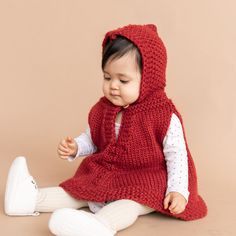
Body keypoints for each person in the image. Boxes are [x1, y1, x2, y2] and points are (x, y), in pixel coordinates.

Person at [4, 24, 207, 236]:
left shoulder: (163, 115)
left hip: (145, 180)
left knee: (130, 202)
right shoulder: (103, 108)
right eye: (107, 77)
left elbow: (177, 156)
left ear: (149, 80)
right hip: (107, 173)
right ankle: (29, 200)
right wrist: (76, 147)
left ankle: (101, 225)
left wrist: (178, 190)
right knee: (79, 189)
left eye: (123, 80)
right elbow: (92, 139)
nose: (113, 86)